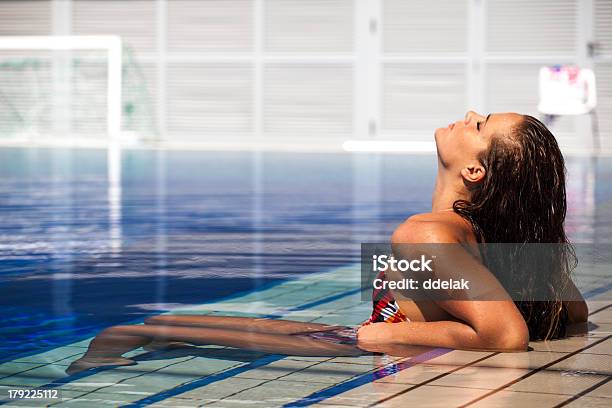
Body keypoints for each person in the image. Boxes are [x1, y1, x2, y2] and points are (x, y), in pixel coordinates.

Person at [66, 111, 588, 375]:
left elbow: (506, 335)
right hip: (364, 338)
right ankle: (139, 334)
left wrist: (387, 339)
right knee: (155, 328)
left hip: (365, 346)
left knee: (131, 330)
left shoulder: (425, 234)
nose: (469, 113)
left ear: (474, 169)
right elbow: (572, 311)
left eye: (479, 124)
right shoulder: (484, 235)